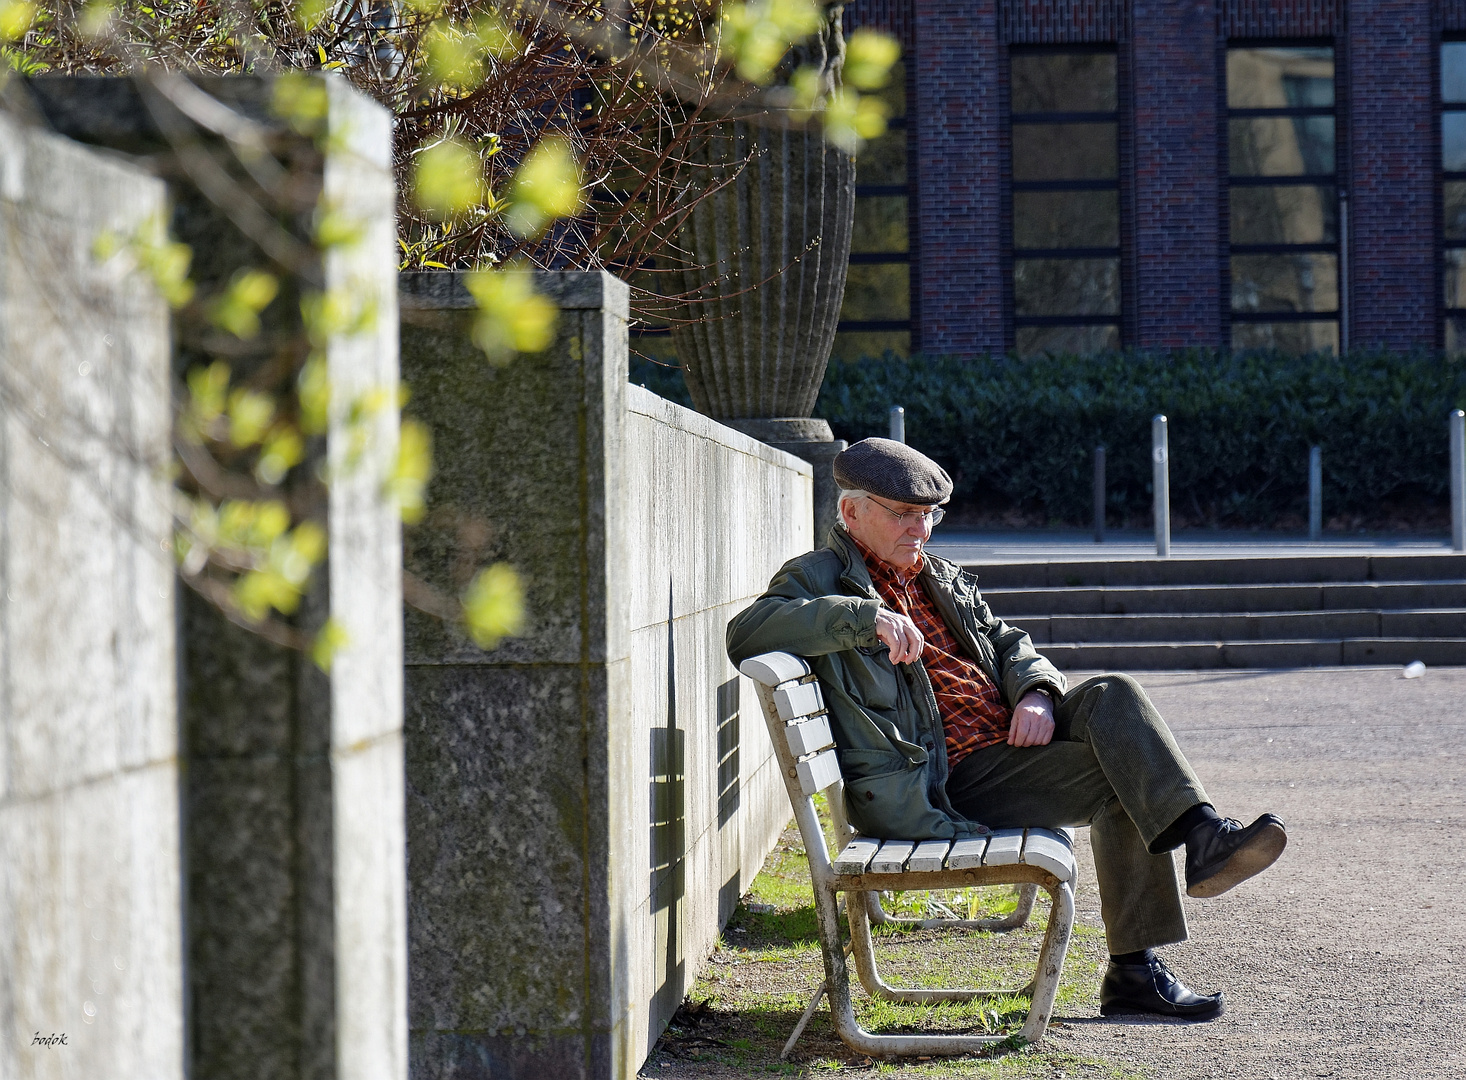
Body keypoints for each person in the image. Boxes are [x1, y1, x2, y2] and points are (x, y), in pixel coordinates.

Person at [726, 437, 1287, 1019]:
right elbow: (747, 633)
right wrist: (863, 619)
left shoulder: (935, 577)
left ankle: (1201, 838)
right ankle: (1137, 968)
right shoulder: (820, 579)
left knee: (1114, 694)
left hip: (1009, 743)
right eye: (903, 515)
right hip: (945, 776)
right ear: (851, 512)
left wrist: (1036, 693)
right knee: (1124, 781)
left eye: (928, 516)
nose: (919, 531)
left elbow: (1008, 642)